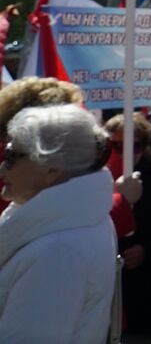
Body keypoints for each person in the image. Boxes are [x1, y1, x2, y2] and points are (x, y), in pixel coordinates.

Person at [0, 104, 118, 343]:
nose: (3, 167)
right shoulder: (81, 216)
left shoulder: (57, 249)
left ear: (52, 169)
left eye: (12, 156)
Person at [104, 112, 151, 332]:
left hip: (143, 288)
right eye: (117, 146)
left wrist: (146, 250)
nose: (126, 154)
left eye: (134, 147)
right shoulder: (95, 179)